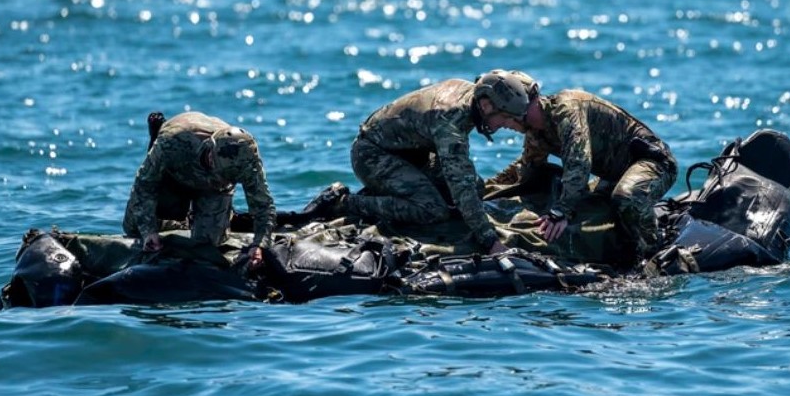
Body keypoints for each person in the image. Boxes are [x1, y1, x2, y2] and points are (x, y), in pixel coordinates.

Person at [307, 76, 514, 255]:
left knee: (476, 187)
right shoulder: (451, 120)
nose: (505, 123)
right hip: (372, 155)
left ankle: (390, 194)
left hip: (410, 156)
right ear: (486, 106)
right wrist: (490, 241)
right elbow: (460, 184)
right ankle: (346, 203)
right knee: (432, 210)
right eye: (503, 116)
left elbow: (464, 181)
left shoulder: (471, 95)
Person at [481, 72, 678, 259]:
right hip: (614, 175)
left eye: (504, 116)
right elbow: (524, 169)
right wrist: (484, 190)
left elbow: (579, 161)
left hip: (654, 163)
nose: (504, 124)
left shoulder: (567, 109)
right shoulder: (536, 133)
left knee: (626, 198)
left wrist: (561, 211)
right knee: (591, 208)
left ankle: (653, 252)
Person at [122, 111, 276, 268]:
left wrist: (260, 245)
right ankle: (176, 221)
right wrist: (149, 231)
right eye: (222, 174)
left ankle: (195, 219)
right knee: (134, 228)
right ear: (210, 155)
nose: (222, 179)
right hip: (175, 174)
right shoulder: (173, 142)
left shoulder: (248, 162)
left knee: (210, 243)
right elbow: (144, 184)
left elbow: (263, 205)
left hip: (213, 190)